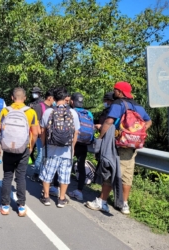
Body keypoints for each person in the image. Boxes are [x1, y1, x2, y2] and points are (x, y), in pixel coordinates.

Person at [86, 82, 152, 214]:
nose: (114, 92)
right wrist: (136, 133)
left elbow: (109, 121)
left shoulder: (118, 103)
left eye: (115, 90)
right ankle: (124, 205)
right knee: (127, 174)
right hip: (132, 146)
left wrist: (100, 137)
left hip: (118, 144)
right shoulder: (137, 105)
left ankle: (102, 202)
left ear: (120, 92)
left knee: (111, 170)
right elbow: (148, 121)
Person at [0, 87, 39, 216]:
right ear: (24, 98)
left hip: (7, 148)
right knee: (20, 178)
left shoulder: (5, 110)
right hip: (23, 149)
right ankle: (21, 207)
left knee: (7, 177)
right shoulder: (31, 112)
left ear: (12, 98)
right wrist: (30, 147)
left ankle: (5, 206)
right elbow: (35, 133)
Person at [39, 86, 80, 207]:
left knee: (47, 173)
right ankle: (61, 199)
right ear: (66, 98)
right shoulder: (73, 113)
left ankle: (46, 197)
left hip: (51, 150)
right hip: (67, 151)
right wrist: (72, 146)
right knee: (65, 175)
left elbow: (43, 131)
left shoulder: (48, 112)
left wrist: (44, 144)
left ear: (54, 98)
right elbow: (76, 132)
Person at [68, 93, 94, 201]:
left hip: (72, 142)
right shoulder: (88, 113)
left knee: (65, 165)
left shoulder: (71, 112)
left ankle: (58, 188)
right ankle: (79, 191)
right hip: (84, 143)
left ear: (72, 101)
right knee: (81, 167)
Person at [30, 88, 55, 182]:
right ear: (50, 98)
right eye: (54, 99)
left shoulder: (53, 108)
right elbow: (35, 121)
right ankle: (36, 173)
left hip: (49, 135)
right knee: (41, 154)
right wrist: (39, 132)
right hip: (40, 135)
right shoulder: (39, 106)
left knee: (46, 155)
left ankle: (43, 173)